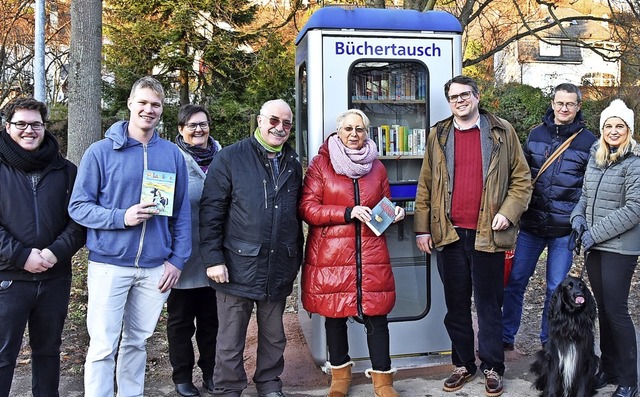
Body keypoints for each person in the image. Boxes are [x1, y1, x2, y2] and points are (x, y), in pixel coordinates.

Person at [68, 76, 192, 397]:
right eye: (143, 103)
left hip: (154, 268)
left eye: (155, 104)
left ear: (162, 110)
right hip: (109, 265)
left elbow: (181, 214)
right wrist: (121, 217)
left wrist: (177, 260)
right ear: (130, 104)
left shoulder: (172, 155)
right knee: (103, 346)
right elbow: (79, 207)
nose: (148, 110)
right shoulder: (100, 152)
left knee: (137, 342)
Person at [413, 75, 532, 397]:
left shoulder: (502, 131)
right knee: (456, 306)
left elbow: (522, 180)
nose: (460, 101)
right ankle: (463, 364)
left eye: (465, 95)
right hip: (449, 234)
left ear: (477, 97)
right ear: (449, 101)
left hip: (488, 235)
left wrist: (508, 212)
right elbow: (425, 183)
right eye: (454, 97)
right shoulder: (438, 134)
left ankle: (493, 367)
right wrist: (422, 227)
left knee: (490, 306)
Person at [199, 99, 303, 397]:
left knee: (274, 335)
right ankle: (228, 388)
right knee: (231, 337)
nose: (279, 128)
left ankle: (269, 383)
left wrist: (294, 258)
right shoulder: (230, 158)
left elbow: (295, 214)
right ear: (259, 121)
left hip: (278, 265)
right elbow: (211, 212)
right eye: (273, 120)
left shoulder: (292, 163)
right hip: (236, 265)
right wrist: (213, 259)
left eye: (286, 124)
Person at [299, 109, 405, 397]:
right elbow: (308, 208)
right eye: (348, 129)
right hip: (333, 255)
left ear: (366, 132)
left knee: (377, 315)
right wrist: (347, 212)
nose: (354, 134)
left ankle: (383, 382)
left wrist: (393, 212)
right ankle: (340, 378)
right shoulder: (321, 164)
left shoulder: (377, 167)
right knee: (335, 316)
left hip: (370, 251)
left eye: (359, 129)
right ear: (339, 131)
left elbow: (384, 203)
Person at [0, 98, 85, 397]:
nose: (29, 130)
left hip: (54, 278)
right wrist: (22, 256)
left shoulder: (66, 170)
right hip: (8, 280)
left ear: (44, 127)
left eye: (35, 124)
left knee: (48, 352)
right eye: (21, 124)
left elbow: (78, 222)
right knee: (2, 356)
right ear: (7, 126)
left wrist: (53, 253)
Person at [502, 83, 597, 350]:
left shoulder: (589, 142)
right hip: (531, 225)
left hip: (563, 229)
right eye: (559, 103)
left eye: (570, 104)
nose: (564, 108)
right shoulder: (535, 135)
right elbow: (519, 175)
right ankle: (506, 336)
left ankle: (549, 341)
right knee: (516, 281)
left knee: (556, 287)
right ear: (552, 103)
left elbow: (590, 187)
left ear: (578, 106)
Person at [571, 99, 640, 397]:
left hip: (620, 247)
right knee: (603, 310)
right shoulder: (596, 158)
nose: (613, 131)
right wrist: (577, 218)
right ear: (601, 130)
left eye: (619, 126)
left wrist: (594, 233)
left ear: (629, 131)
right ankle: (610, 368)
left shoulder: (634, 163)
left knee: (617, 311)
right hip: (596, 244)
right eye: (608, 126)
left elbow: (635, 208)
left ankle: (629, 380)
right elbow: (585, 196)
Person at [168, 104, 221, 397]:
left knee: (212, 323)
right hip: (182, 257)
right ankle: (182, 377)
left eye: (203, 124)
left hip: (216, 257)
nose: (198, 130)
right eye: (192, 125)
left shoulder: (223, 157)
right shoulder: (171, 159)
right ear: (181, 129)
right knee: (180, 324)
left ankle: (211, 373)